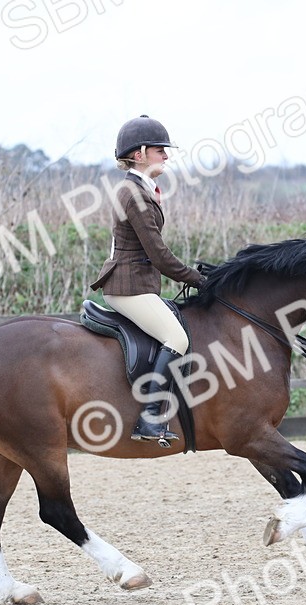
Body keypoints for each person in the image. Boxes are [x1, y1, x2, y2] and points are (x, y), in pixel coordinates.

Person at [89, 115, 206, 445]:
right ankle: (150, 419)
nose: (167, 156)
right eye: (160, 150)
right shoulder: (134, 194)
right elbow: (158, 254)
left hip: (136, 285)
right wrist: (199, 280)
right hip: (128, 288)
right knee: (177, 338)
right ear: (139, 154)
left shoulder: (139, 188)